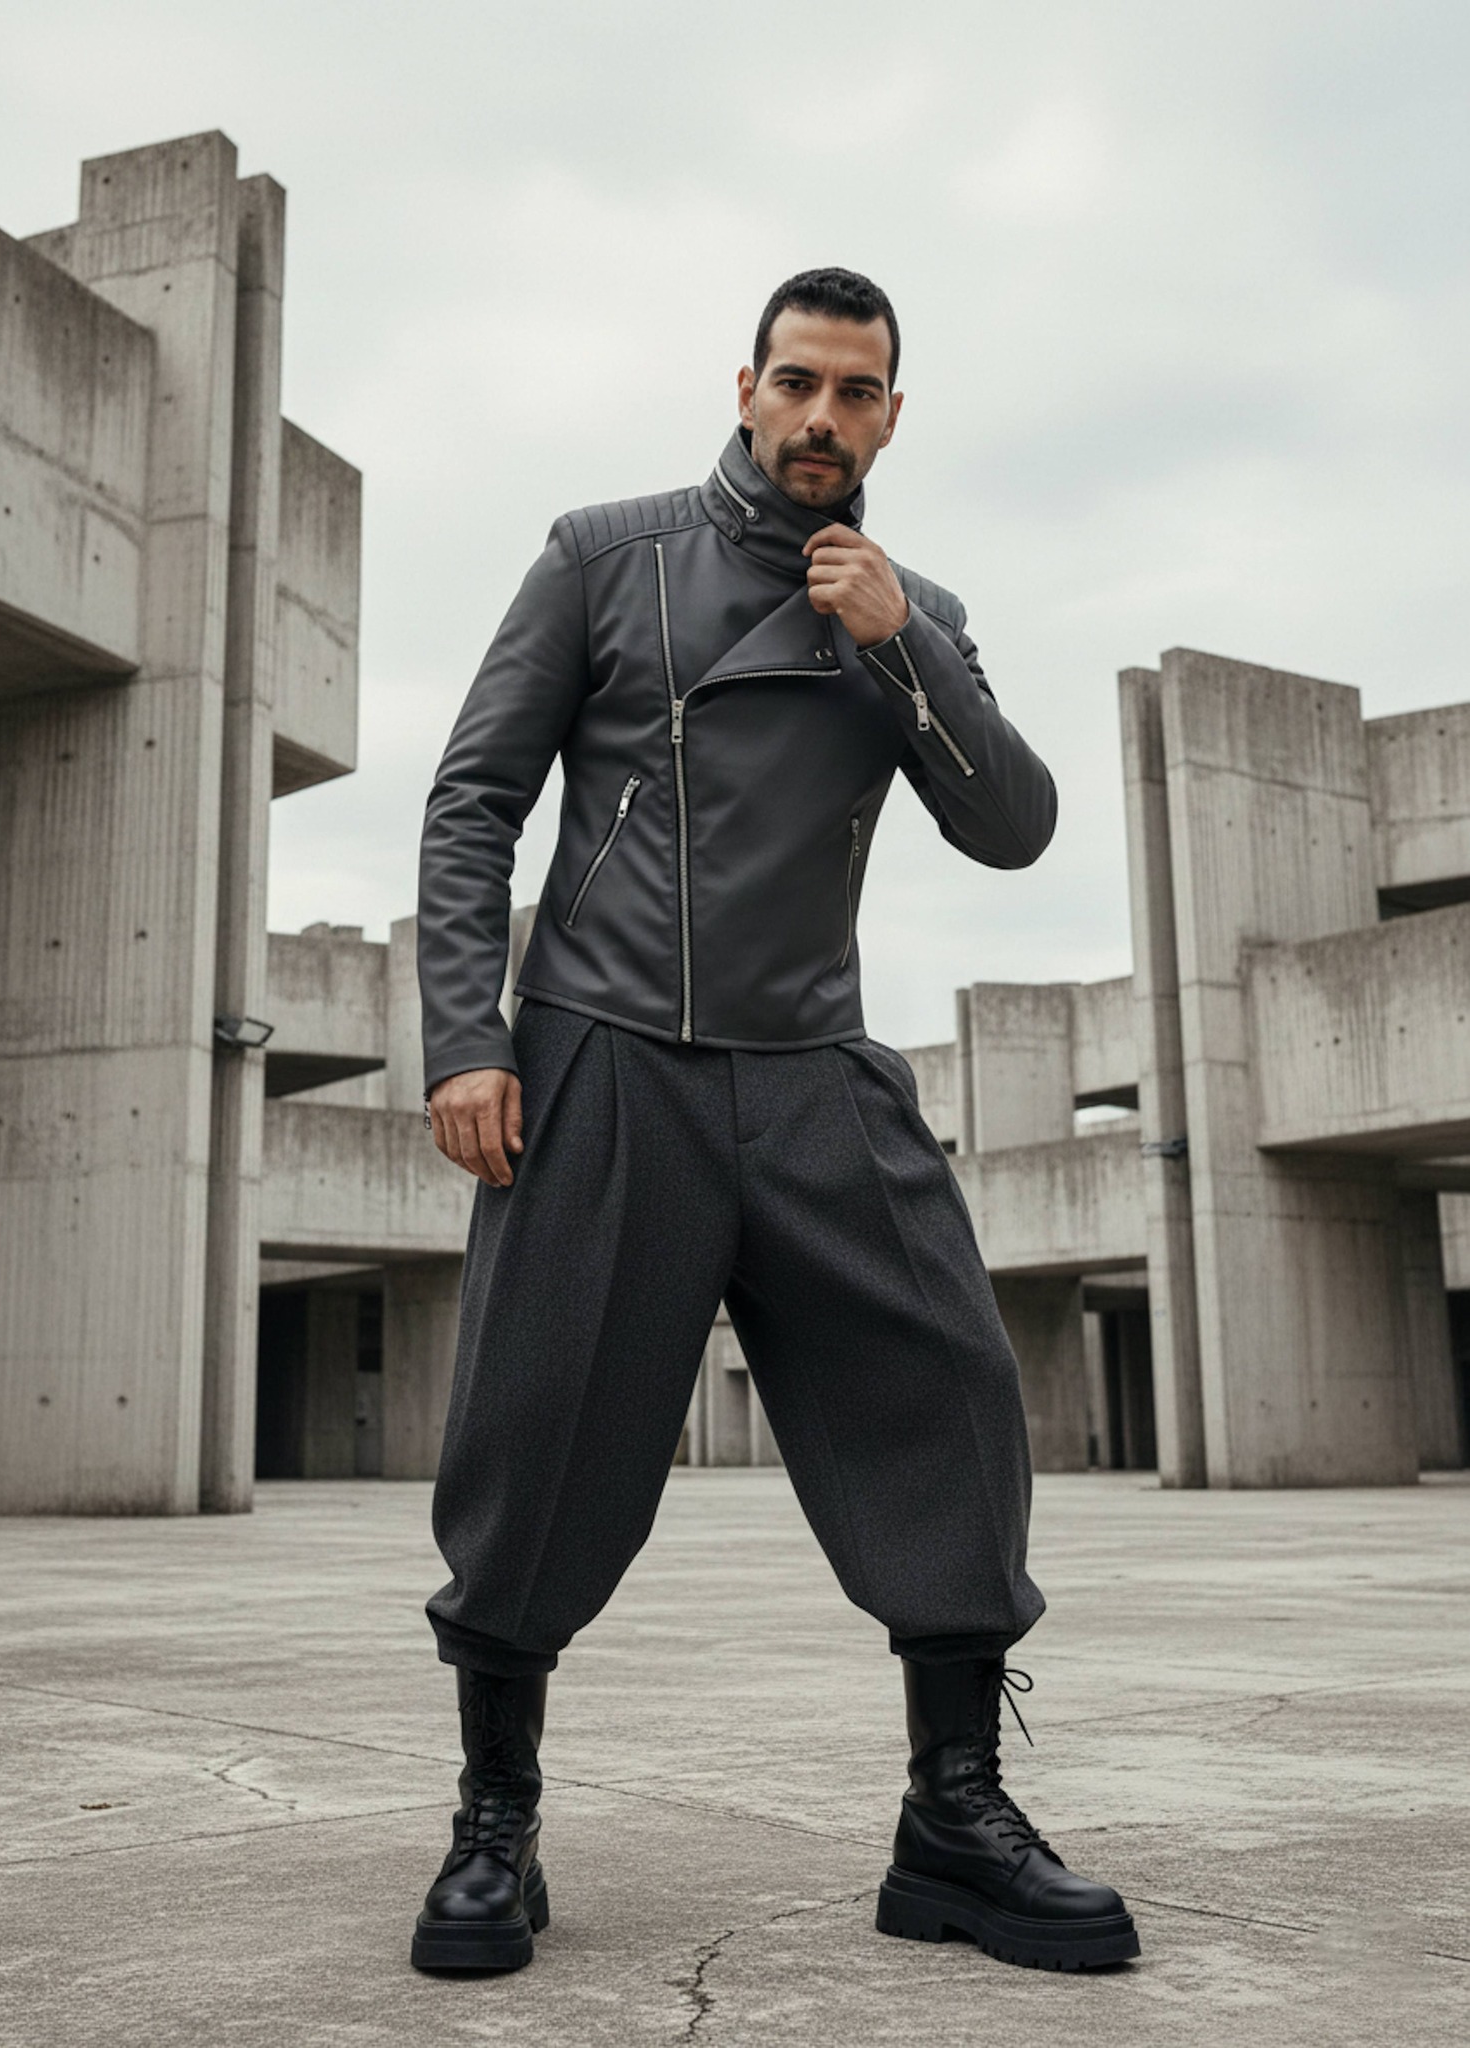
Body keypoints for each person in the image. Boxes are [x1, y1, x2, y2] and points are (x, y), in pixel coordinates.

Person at [410, 268, 1139, 1976]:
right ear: (745, 386)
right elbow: (473, 805)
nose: (823, 418)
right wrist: (466, 1038)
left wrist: (906, 646)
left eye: (858, 393)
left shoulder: (910, 604)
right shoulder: (607, 553)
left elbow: (1017, 828)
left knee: (951, 1398)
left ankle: (953, 1820)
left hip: (816, 1067)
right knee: (538, 1440)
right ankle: (493, 1827)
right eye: (797, 384)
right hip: (605, 1061)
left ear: (894, 415)